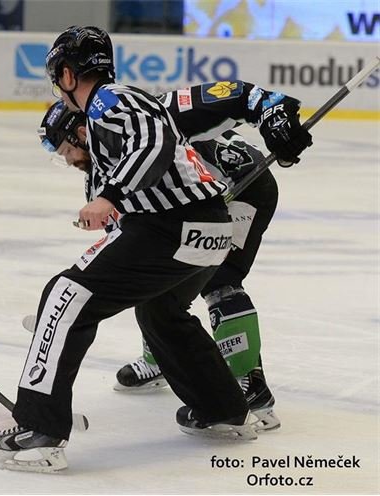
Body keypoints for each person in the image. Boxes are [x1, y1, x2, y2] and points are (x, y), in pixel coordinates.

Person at [0, 26, 311, 473]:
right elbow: (125, 245)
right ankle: (224, 410)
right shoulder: (115, 128)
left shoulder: (108, 101)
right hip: (207, 230)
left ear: (66, 74)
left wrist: (110, 199)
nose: (64, 156)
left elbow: (153, 144)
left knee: (65, 295)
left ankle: (39, 433)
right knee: (160, 310)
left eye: (62, 145)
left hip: (175, 224)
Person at [37, 81, 309, 433]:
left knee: (220, 279)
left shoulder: (140, 113)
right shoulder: (102, 173)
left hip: (245, 184)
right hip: (203, 201)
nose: (69, 160)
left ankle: (249, 382)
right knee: (156, 278)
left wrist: (273, 113)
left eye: (65, 150)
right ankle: (163, 358)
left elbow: (235, 94)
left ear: (79, 132)